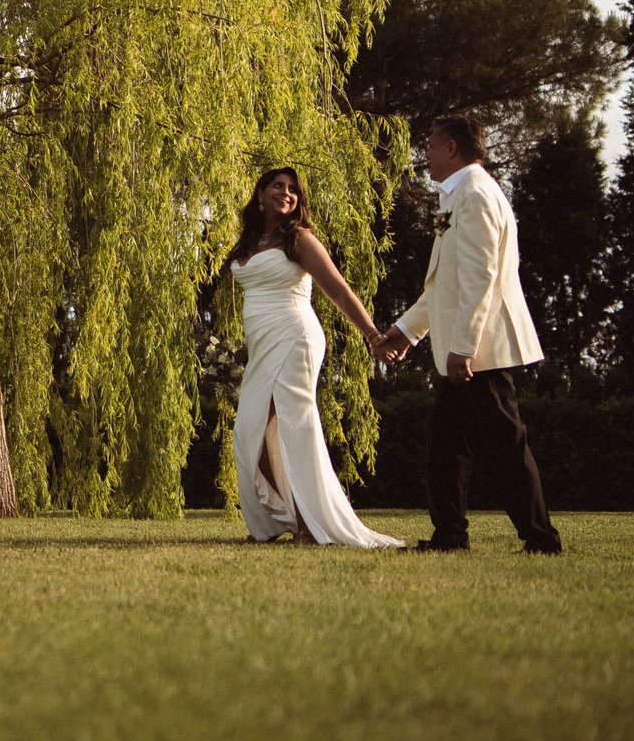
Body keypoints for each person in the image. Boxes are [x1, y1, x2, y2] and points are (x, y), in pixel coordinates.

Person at [378, 115, 564, 554]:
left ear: (451, 148)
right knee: (445, 450)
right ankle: (449, 536)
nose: (423, 153)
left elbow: (481, 279)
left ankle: (542, 539)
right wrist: (406, 331)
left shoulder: (476, 195)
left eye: (429, 144)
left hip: (481, 353)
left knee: (506, 448)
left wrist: (464, 347)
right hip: (463, 354)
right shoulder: (458, 196)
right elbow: (445, 284)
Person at [226, 166, 401, 548]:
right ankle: (275, 521)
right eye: (277, 186)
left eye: (292, 189)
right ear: (260, 193)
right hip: (263, 342)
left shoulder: (299, 239)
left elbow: (337, 289)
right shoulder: (250, 240)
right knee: (248, 432)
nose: (285, 193)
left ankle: (309, 526)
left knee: (294, 429)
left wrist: (372, 335)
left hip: (295, 336)